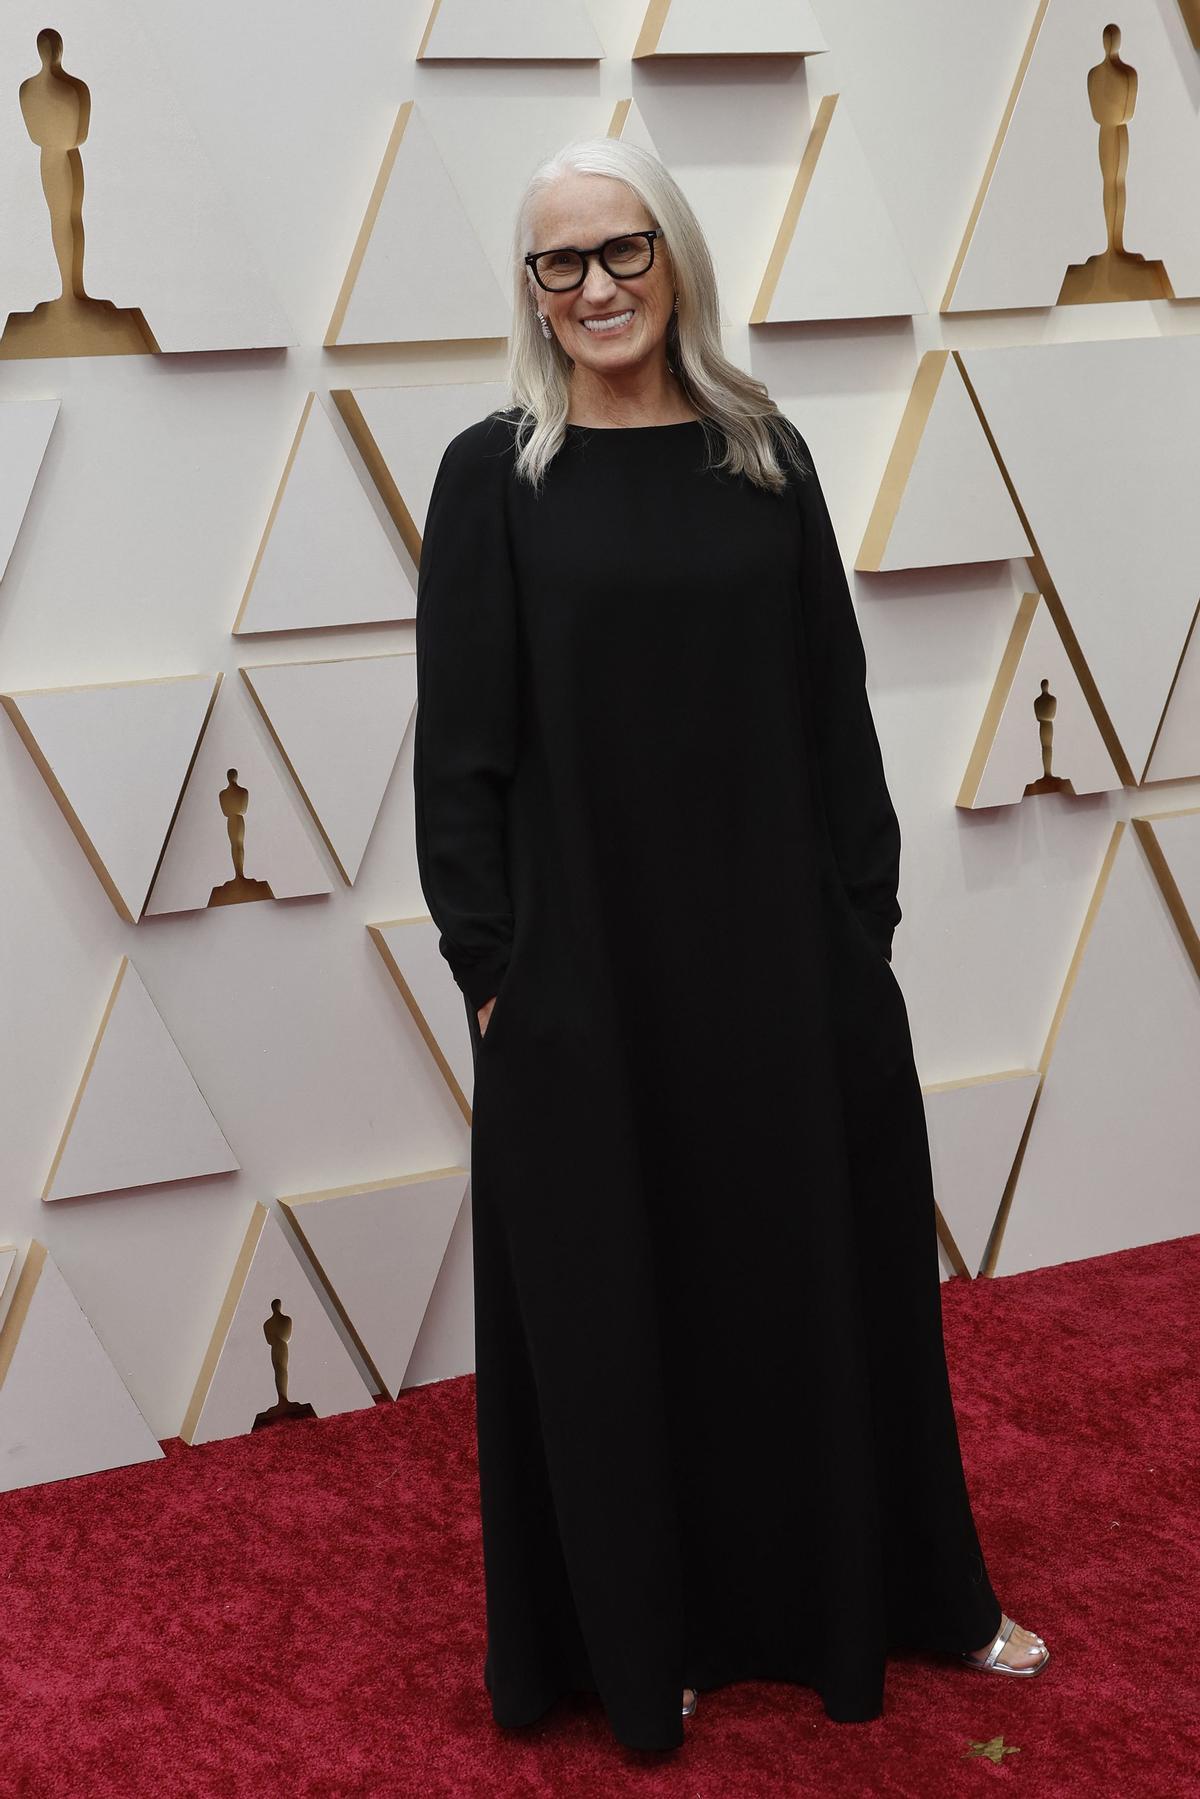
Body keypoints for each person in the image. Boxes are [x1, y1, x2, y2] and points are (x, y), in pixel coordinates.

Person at [412, 137, 1050, 1756]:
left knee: (818, 1285)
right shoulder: (497, 474)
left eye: (622, 249)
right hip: (584, 988)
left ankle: (898, 1598)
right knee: (619, 1305)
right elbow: (461, 755)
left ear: (676, 255)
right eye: (560, 263)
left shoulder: (762, 451)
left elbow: (833, 710)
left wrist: (863, 934)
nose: (597, 287)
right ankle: (647, 1630)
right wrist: (492, 971)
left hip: (783, 971)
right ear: (531, 291)